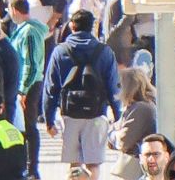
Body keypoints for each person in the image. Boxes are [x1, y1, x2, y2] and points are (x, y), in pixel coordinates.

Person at [42, 9, 118, 169]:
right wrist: (118, 117)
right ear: (92, 26)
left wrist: (49, 119)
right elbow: (113, 87)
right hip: (96, 112)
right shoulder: (105, 52)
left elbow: (51, 87)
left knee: (74, 163)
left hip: (69, 112)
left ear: (72, 26)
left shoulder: (60, 51)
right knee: (93, 162)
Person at [7, 0, 46, 180]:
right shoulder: (23, 29)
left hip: (29, 84)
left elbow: (31, 63)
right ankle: (25, 166)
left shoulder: (29, 32)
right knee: (24, 126)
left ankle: (32, 168)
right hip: (24, 82)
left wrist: (23, 90)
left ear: (14, 9)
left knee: (29, 127)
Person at [107, 67, 154, 180]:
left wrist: (111, 134)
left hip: (141, 169)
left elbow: (124, 141)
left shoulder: (140, 109)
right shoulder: (148, 104)